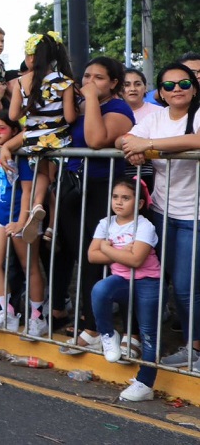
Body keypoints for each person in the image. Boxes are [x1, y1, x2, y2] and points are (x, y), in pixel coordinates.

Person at [119, 62, 200, 371]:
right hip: (162, 211)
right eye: (168, 86)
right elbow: (123, 139)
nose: (176, 89)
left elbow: (197, 140)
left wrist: (148, 146)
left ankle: (195, 350)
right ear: (160, 93)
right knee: (169, 284)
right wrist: (132, 148)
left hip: (195, 214)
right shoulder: (155, 118)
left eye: (183, 83)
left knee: (184, 287)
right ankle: (187, 347)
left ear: (194, 88)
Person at [50, 57, 134, 351]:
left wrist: (90, 99)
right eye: (86, 76)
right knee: (85, 257)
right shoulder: (83, 107)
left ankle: (120, 330)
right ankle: (93, 325)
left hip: (104, 188)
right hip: (75, 187)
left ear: (113, 84)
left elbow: (96, 140)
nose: (90, 82)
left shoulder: (118, 109)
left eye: (99, 77)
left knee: (107, 258)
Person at [0, 112, 47, 336]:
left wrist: (22, 222)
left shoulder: (21, 155)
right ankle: (8, 313)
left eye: (1, 128)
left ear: (14, 131)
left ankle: (37, 316)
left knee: (29, 266)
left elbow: (27, 191)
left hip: (21, 218)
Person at [88, 177, 162, 401]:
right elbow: (92, 256)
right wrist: (121, 252)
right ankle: (108, 335)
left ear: (139, 204)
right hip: (121, 279)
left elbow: (137, 260)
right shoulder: (106, 223)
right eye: (115, 197)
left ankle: (145, 383)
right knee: (100, 290)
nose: (119, 202)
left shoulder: (145, 227)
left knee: (149, 333)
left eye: (126, 198)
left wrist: (106, 248)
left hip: (148, 281)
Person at [4, 32, 77, 243]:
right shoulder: (64, 81)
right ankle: (47, 221)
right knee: (51, 178)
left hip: (33, 139)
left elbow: (13, 115)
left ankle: (37, 205)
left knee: (42, 175)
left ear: (30, 58)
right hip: (58, 138)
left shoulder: (21, 81)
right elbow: (70, 117)